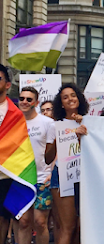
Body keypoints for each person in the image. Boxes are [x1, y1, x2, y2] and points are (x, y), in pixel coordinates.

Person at [0, 64, 35, 244]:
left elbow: (22, 147)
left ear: (7, 84)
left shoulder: (16, 114)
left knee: (18, 220)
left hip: (11, 175)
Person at [51, 83, 89, 244]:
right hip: (63, 176)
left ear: (79, 99)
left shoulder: (89, 121)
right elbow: (47, 158)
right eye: (65, 97)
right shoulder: (55, 125)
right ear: (61, 103)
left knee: (81, 228)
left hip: (85, 178)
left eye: (73, 95)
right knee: (68, 227)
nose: (70, 99)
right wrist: (56, 139)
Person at [17, 87, 56, 244]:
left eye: (29, 99)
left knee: (40, 223)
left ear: (36, 102)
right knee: (24, 222)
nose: (24, 102)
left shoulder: (48, 123)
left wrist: (51, 173)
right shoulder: (14, 122)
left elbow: (54, 151)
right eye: (22, 98)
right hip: (20, 179)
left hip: (42, 179)